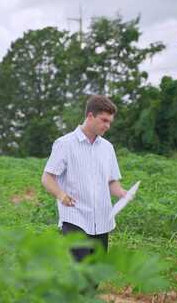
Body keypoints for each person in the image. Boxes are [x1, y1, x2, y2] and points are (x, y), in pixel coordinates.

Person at [41, 95, 127, 262]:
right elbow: (47, 177)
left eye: (110, 122)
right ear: (90, 116)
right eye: (104, 120)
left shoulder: (107, 148)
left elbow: (112, 181)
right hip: (75, 216)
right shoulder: (65, 143)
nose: (107, 126)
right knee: (81, 268)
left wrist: (122, 193)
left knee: (95, 273)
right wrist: (61, 195)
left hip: (102, 219)